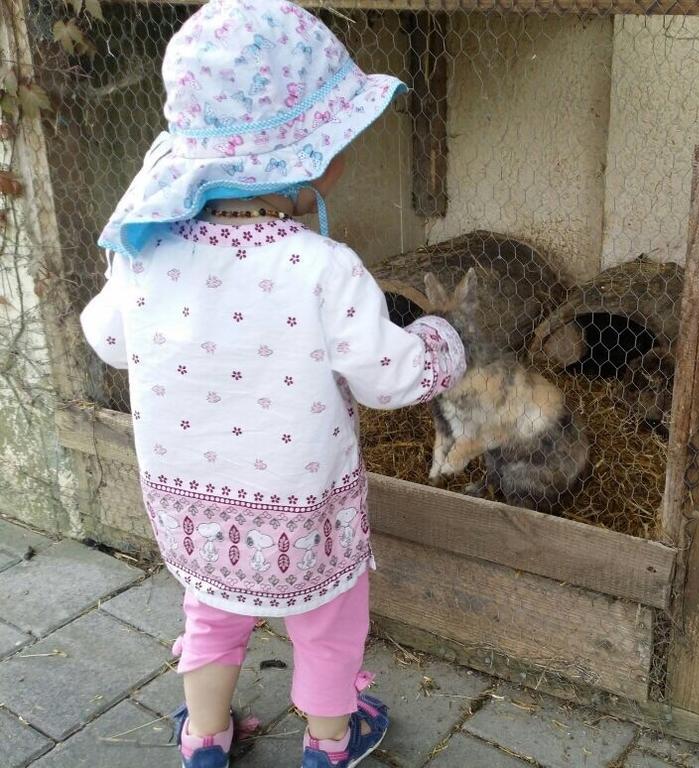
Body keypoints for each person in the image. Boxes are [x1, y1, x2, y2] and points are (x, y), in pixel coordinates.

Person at [79, 2, 466, 766]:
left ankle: (205, 738)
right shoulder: (319, 267)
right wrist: (442, 345)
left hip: (193, 508)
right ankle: (329, 742)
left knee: (211, 613)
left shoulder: (147, 253)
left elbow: (106, 339)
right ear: (312, 159)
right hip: (301, 514)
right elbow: (387, 377)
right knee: (327, 625)